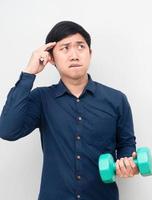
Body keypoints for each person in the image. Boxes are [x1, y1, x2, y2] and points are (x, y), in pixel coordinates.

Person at [0, 21, 138, 200]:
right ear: (51, 59)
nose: (74, 55)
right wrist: (29, 73)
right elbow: (7, 130)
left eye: (80, 46)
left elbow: (127, 146)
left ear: (90, 53)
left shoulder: (116, 99)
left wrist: (128, 164)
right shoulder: (42, 98)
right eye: (64, 48)